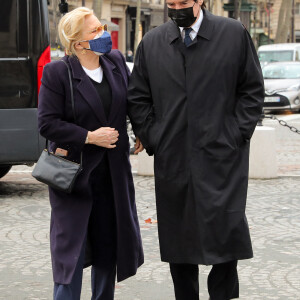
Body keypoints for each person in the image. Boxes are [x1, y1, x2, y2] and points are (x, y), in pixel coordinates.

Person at [127, 0, 264, 299]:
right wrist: (154, 136)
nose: (177, 8)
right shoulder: (152, 43)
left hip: (223, 158)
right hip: (173, 158)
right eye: (171, 3)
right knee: (180, 243)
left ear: (200, 0)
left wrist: (236, 133)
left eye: (183, 2)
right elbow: (137, 97)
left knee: (226, 236)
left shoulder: (233, 33)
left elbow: (252, 90)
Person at [38, 7, 144, 300]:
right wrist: (88, 136)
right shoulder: (57, 72)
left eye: (101, 27)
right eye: (95, 31)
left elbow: (130, 100)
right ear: (77, 42)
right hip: (74, 177)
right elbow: (46, 123)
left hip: (112, 176)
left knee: (108, 251)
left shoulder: (115, 61)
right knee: (70, 254)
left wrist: (140, 131)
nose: (104, 34)